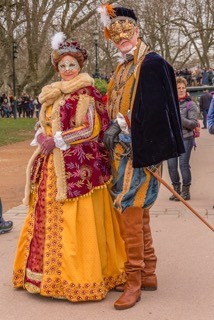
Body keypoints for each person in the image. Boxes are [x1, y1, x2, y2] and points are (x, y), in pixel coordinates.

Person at [13, 32, 126, 302]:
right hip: (50, 165)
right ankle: (42, 277)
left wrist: (58, 140)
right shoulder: (52, 93)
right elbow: (43, 120)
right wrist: (41, 134)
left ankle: (76, 279)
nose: (66, 70)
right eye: (62, 66)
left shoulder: (86, 92)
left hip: (78, 167)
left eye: (71, 65)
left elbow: (91, 128)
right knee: (44, 217)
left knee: (77, 220)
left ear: (80, 66)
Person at [97, 3, 185, 310]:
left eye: (126, 30)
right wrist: (111, 124)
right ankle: (148, 272)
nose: (121, 37)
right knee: (138, 211)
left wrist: (127, 131)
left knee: (130, 211)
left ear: (137, 31)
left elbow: (157, 111)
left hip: (139, 151)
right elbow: (117, 104)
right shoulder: (123, 67)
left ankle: (133, 281)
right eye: (115, 33)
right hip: (122, 151)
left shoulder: (151, 63)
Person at [167, 77, 198, 201]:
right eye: (178, 88)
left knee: (183, 164)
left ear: (186, 88)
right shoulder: (170, 104)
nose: (181, 90)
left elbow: (193, 124)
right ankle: (176, 191)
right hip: (171, 139)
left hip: (186, 138)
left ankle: (186, 192)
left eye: (183, 88)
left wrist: (178, 117)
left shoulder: (191, 104)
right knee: (171, 166)